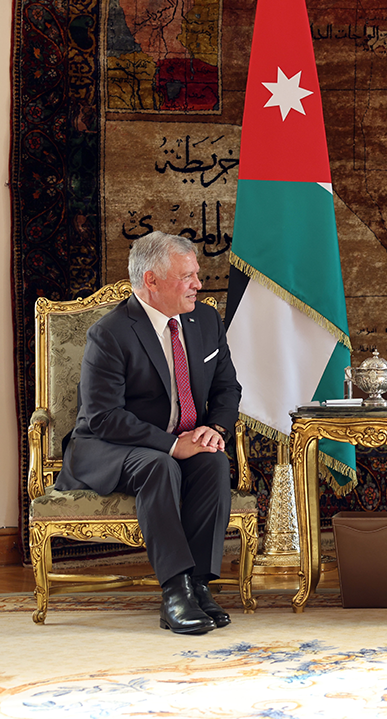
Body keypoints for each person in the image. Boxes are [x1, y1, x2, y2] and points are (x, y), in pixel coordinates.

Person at [58, 232, 242, 635]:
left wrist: (214, 429)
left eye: (197, 274)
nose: (198, 284)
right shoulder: (110, 333)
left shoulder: (206, 319)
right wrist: (173, 444)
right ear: (151, 281)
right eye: (187, 276)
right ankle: (174, 591)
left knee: (212, 461)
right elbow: (104, 416)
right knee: (159, 466)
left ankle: (198, 584)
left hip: (182, 438)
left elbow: (227, 388)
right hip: (110, 445)